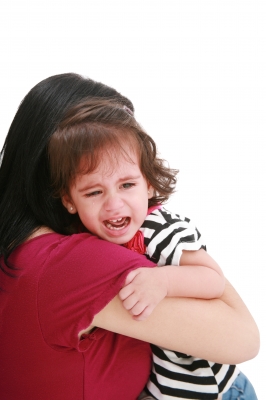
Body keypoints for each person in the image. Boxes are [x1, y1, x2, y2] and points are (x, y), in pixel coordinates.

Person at [0, 73, 259, 400]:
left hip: (216, 390)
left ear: (148, 182)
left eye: (127, 183)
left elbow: (227, 304)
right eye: (94, 189)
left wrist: (164, 280)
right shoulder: (71, 261)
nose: (114, 203)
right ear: (64, 192)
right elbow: (243, 336)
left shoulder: (157, 229)